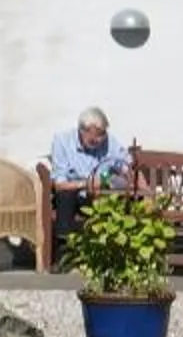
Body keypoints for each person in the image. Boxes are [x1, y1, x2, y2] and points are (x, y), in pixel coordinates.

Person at [46, 106, 136, 250]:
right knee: (65, 196)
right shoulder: (62, 141)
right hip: (72, 193)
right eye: (95, 135)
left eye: (102, 134)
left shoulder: (109, 141)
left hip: (99, 194)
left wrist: (113, 178)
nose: (100, 140)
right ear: (82, 130)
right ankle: (63, 251)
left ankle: (108, 252)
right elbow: (59, 183)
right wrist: (86, 183)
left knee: (114, 197)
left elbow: (125, 165)